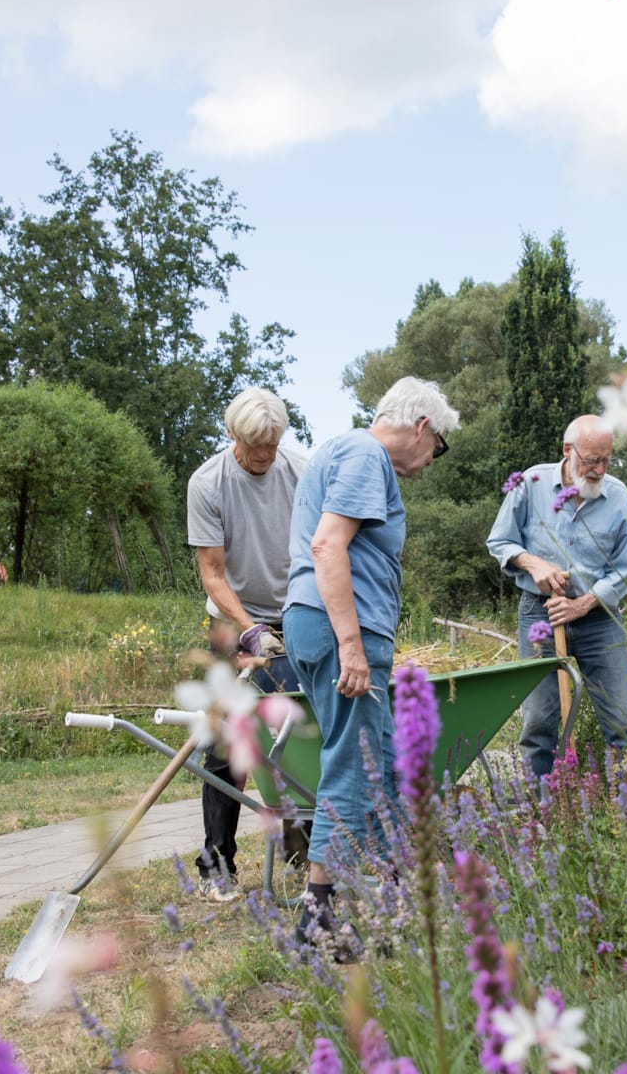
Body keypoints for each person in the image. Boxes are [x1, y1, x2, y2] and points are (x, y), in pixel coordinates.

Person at [282, 376, 458, 945]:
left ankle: (395, 893)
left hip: (326, 625)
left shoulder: (342, 450)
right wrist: (352, 647)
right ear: (422, 427)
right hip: (341, 630)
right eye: (439, 447)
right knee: (353, 764)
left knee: (381, 760)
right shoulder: (364, 454)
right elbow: (328, 545)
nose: (433, 460)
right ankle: (319, 913)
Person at [186, 387, 306, 899]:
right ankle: (218, 865)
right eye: (255, 446)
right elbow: (212, 574)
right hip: (233, 621)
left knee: (299, 736)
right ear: (232, 434)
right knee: (226, 747)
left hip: (297, 615)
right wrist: (250, 628)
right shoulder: (208, 482)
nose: (265, 456)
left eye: (273, 444)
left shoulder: (300, 472)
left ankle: (303, 851)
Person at [486, 414, 627, 779]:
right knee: (539, 721)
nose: (600, 469)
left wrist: (582, 604)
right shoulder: (530, 484)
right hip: (540, 615)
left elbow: (624, 570)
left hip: (599, 617)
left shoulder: (619, 499)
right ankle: (540, 810)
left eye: (607, 460)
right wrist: (533, 564)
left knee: (622, 721)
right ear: (568, 451)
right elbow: (500, 541)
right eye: (591, 460)